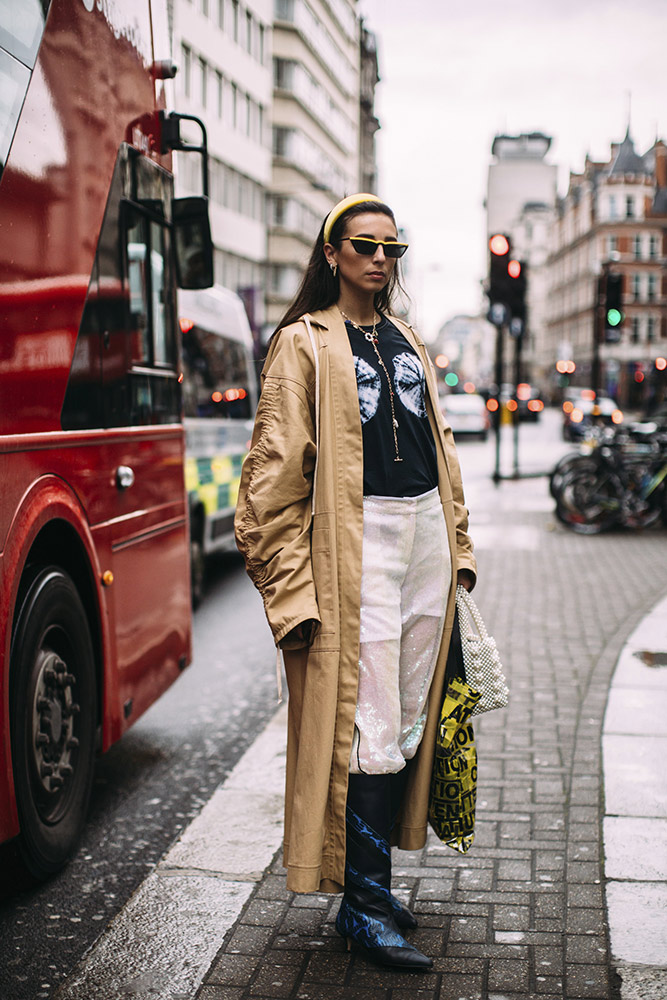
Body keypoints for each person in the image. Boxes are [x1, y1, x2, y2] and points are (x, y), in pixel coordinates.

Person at [234, 193, 476, 971]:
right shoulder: (302, 344)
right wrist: (290, 592)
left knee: (404, 721)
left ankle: (369, 889)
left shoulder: (408, 339)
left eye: (391, 248)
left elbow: (442, 452)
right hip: (356, 546)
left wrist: (460, 548)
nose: (380, 258)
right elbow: (269, 484)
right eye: (364, 245)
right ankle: (363, 908)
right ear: (332, 253)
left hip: (423, 547)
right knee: (365, 728)